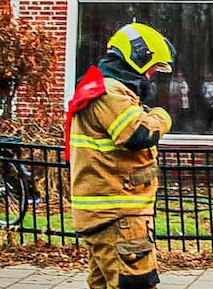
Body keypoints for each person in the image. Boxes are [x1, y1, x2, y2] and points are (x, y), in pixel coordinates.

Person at [64, 23, 176, 289]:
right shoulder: (110, 93)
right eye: (152, 67)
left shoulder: (104, 88)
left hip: (108, 213)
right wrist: (162, 115)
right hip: (118, 215)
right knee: (136, 286)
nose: (151, 76)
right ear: (138, 58)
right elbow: (139, 134)